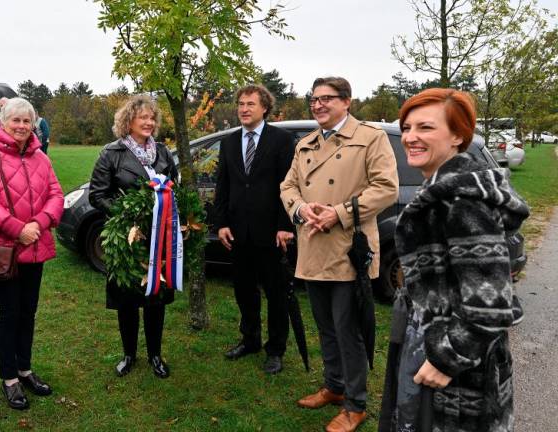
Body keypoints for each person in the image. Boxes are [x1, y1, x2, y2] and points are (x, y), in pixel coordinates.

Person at [378, 88, 529, 432]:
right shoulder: (441, 188)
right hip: (431, 341)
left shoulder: (462, 201)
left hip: (460, 372)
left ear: (458, 135)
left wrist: (445, 360)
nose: (411, 137)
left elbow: (491, 305)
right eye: (407, 128)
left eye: (426, 128)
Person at [280, 76, 398, 432]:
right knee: (326, 327)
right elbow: (288, 186)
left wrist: (340, 213)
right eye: (313, 100)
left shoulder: (370, 137)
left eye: (326, 99)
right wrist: (301, 209)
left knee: (349, 331)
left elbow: (387, 188)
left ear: (347, 102)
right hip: (313, 248)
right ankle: (334, 386)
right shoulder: (306, 143)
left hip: (349, 250)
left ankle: (355, 404)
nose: (318, 105)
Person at [0, 97, 64, 410]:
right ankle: (9, 378)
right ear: (3, 122)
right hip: (6, 250)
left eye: (27, 121)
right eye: (16, 121)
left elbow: (56, 194)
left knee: (28, 312)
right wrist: (17, 228)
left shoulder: (41, 157)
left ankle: (25, 369)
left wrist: (39, 222)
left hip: (35, 248)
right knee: (9, 313)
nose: (22, 126)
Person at [89, 94, 179, 379]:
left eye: (153, 118)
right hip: (127, 240)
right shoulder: (111, 153)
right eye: (144, 118)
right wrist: (128, 215)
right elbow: (97, 195)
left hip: (158, 237)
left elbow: (173, 187)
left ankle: (155, 355)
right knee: (127, 301)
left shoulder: (163, 153)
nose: (150, 122)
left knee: (155, 298)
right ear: (129, 121)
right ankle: (129, 354)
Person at [213, 84, 294, 374]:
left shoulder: (282, 141)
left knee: (275, 293)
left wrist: (285, 226)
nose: (244, 109)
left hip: (271, 233)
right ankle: (250, 340)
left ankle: (276, 349)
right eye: (240, 104)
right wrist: (221, 223)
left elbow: (290, 186)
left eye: (250, 104)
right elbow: (223, 185)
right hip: (237, 233)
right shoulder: (230, 142)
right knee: (244, 290)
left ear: (264, 108)